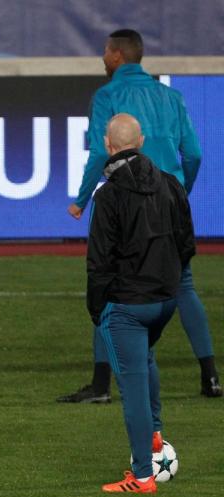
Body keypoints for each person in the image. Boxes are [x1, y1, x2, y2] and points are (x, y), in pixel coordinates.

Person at [59, 28, 220, 403]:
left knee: (109, 281)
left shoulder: (108, 95)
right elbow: (193, 154)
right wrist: (179, 193)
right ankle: (210, 376)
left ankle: (100, 385)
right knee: (183, 285)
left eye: (105, 50)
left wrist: (82, 199)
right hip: (168, 198)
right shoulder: (171, 96)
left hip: (125, 201)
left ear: (116, 55)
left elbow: (100, 154)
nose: (103, 56)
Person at [88, 114, 195, 493]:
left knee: (131, 385)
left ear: (108, 145)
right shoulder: (170, 184)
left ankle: (143, 475)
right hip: (165, 301)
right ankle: (154, 433)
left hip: (128, 305)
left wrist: (97, 309)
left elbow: (99, 261)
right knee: (145, 357)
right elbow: (187, 243)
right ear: (143, 140)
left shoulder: (109, 196)